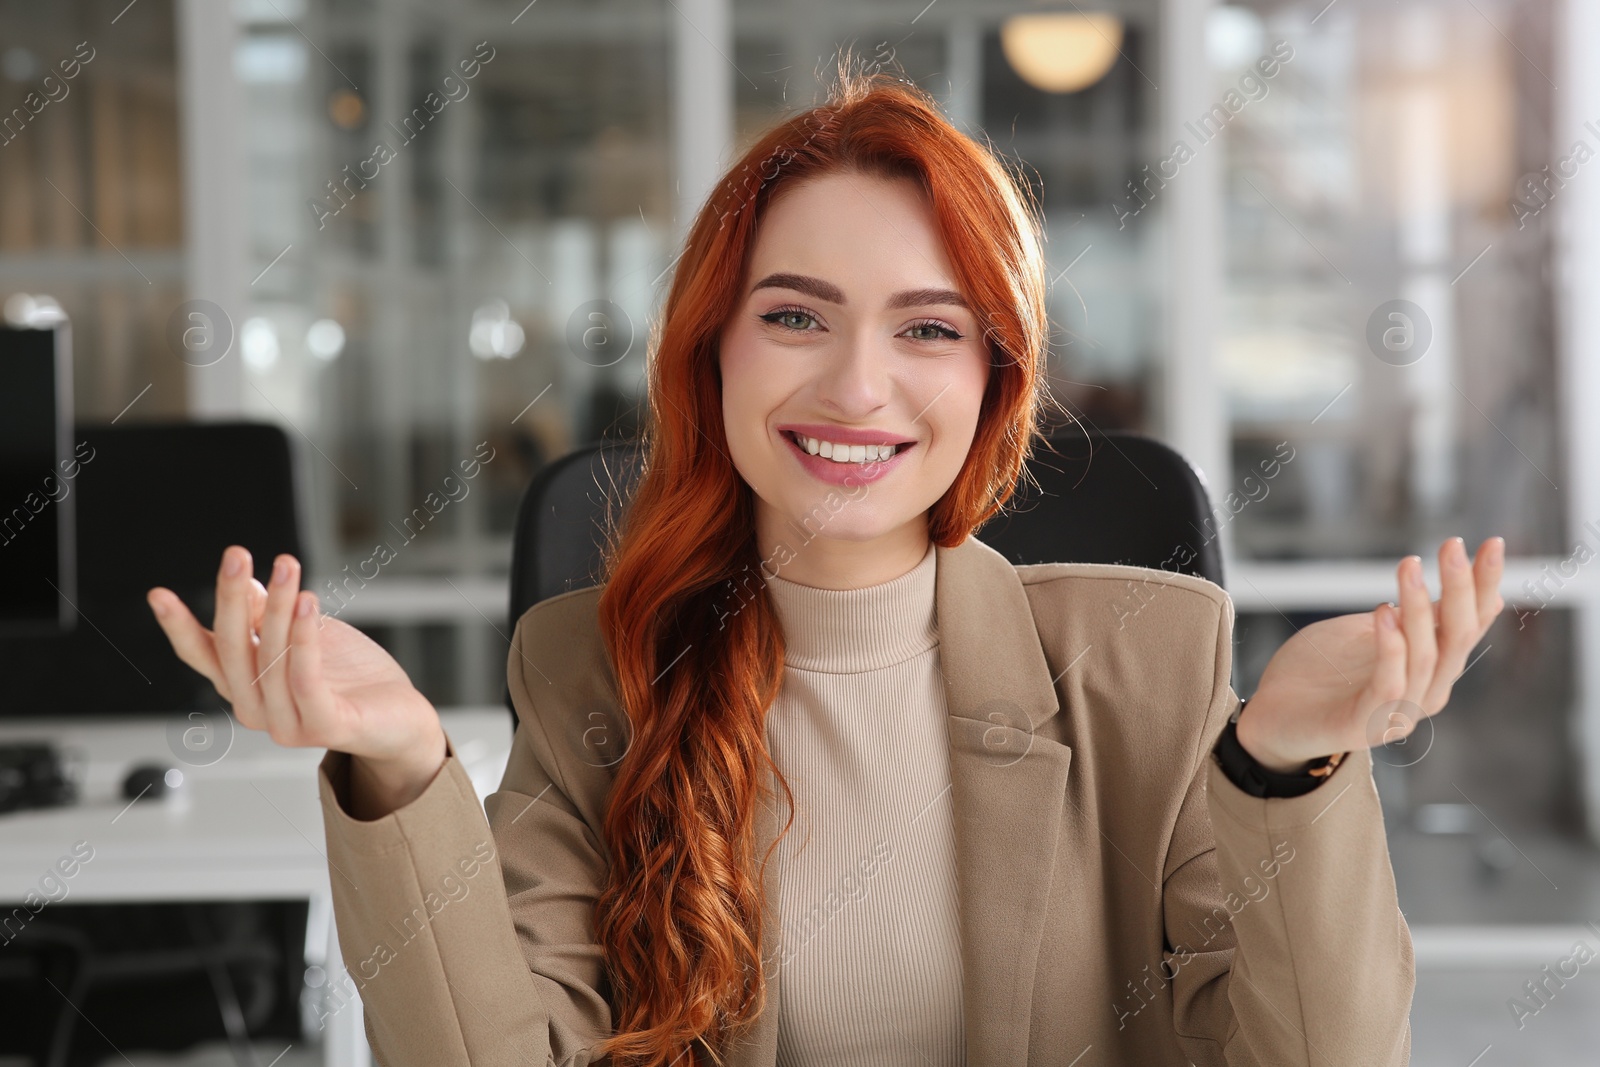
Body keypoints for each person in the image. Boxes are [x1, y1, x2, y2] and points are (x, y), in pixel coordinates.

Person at [145, 72, 1504, 1067]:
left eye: (926, 329)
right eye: (795, 315)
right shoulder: (589, 668)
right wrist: (397, 761)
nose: (857, 386)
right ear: (712, 352)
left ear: (992, 382)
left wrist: (1287, 762)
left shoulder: (1147, 660)